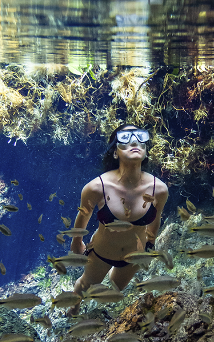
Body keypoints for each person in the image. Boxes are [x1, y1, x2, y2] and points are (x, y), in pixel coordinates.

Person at [71, 124, 168, 297]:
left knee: (117, 288)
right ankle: (73, 308)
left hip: (134, 257)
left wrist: (150, 245)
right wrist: (77, 242)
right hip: (101, 253)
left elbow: (156, 218)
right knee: (85, 285)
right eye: (125, 138)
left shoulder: (159, 189)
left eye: (140, 138)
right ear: (115, 152)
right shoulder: (96, 187)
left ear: (146, 150)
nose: (134, 142)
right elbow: (83, 214)